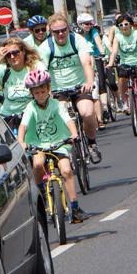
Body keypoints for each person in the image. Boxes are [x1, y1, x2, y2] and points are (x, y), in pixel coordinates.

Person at [17, 69, 87, 224]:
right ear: (32, 94)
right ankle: (41, 192)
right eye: (36, 93)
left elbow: (68, 120)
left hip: (58, 142)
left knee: (66, 170)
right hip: (38, 144)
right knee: (38, 164)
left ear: (48, 89)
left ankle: (75, 207)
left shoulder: (56, 105)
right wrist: (21, 141)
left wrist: (74, 134)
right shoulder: (30, 107)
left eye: (43, 91)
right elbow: (23, 125)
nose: (40, 95)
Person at [38, 12, 102, 163]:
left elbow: (86, 62)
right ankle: (65, 149)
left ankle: (92, 143)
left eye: (63, 30)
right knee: (60, 116)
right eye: (56, 31)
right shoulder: (46, 47)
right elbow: (43, 71)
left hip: (79, 86)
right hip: (58, 90)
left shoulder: (77, 40)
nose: (61, 34)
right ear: (50, 32)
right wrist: (47, 92)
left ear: (68, 28)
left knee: (87, 112)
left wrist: (89, 81)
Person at [0, 36, 43, 131]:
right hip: (9, 118)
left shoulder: (35, 66)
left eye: (16, 53)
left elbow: (46, 89)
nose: (12, 57)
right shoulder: (4, 69)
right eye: (8, 54)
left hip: (32, 117)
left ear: (23, 52)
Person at [107, 12, 137, 112]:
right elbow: (114, 52)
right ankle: (124, 102)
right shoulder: (117, 37)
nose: (124, 27)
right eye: (121, 25)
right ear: (118, 27)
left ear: (131, 24)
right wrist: (110, 63)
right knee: (122, 79)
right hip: (125, 63)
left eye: (126, 24)